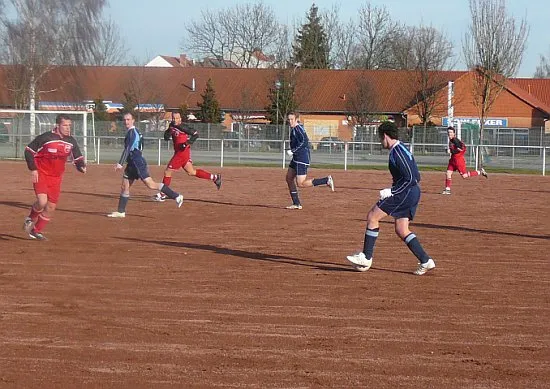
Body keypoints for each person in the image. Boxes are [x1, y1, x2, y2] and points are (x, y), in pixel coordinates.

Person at [346, 121, 435, 275]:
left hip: (404, 192)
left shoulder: (398, 152)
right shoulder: (401, 149)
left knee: (373, 216)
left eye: (380, 138)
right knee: (402, 229)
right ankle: (426, 260)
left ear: (386, 136)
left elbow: (412, 178)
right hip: (411, 193)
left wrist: (392, 191)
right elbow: (415, 176)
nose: (381, 141)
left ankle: (366, 257)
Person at [22, 114, 87, 240]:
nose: (68, 128)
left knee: (51, 207)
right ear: (57, 125)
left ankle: (36, 231)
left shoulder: (71, 141)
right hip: (41, 173)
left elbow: (78, 157)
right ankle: (30, 218)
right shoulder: (46, 138)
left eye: (69, 125)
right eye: (65, 125)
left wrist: (81, 166)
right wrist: (33, 169)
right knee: (42, 202)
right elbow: (28, 150)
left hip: (56, 178)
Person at [107, 112, 183, 218]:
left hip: (137, 162)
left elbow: (128, 148)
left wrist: (120, 163)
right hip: (132, 163)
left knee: (151, 184)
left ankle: (176, 196)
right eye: (124, 120)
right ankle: (121, 212)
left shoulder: (132, 132)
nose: (126, 122)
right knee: (125, 186)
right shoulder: (135, 131)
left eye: (128, 119)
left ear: (133, 120)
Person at [153, 111, 221, 202]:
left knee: (167, 171)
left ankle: (162, 194)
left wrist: (187, 143)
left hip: (182, 152)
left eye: (176, 118)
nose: (174, 120)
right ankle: (215, 178)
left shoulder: (183, 127)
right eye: (173, 118)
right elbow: (166, 138)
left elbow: (195, 134)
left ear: (180, 119)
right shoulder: (172, 126)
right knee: (191, 172)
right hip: (179, 152)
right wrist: (168, 131)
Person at [285, 111, 334, 209]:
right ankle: (296, 203)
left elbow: (304, 141)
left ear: (296, 119)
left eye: (292, 119)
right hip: (296, 158)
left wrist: (293, 150)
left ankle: (326, 180)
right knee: (289, 178)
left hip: (301, 159)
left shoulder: (298, 128)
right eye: (288, 119)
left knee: (301, 183)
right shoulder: (294, 129)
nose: (290, 121)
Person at [441, 126, 487, 195]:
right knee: (448, 173)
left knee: (464, 176)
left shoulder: (455, 140)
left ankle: (480, 172)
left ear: (454, 133)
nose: (449, 134)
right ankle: (447, 189)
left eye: (451, 132)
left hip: (459, 161)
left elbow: (461, 149)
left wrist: (450, 151)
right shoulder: (451, 140)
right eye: (448, 132)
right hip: (453, 160)